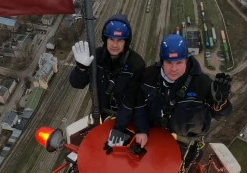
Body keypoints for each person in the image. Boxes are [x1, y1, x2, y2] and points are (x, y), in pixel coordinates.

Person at [135, 34, 232, 151]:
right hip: (153, 137)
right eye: (169, 62)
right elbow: (140, 106)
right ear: (162, 61)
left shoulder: (202, 84)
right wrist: (141, 129)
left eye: (178, 62)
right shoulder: (149, 77)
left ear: (186, 60)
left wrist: (221, 102)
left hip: (185, 145)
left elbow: (221, 116)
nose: (174, 69)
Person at [70, 14, 146, 147]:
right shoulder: (97, 57)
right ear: (105, 40)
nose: (115, 45)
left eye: (120, 40)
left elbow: (130, 100)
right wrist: (81, 68)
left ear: (126, 42)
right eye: (111, 39)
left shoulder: (136, 64)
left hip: (127, 119)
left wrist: (119, 127)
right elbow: (77, 84)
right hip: (102, 114)